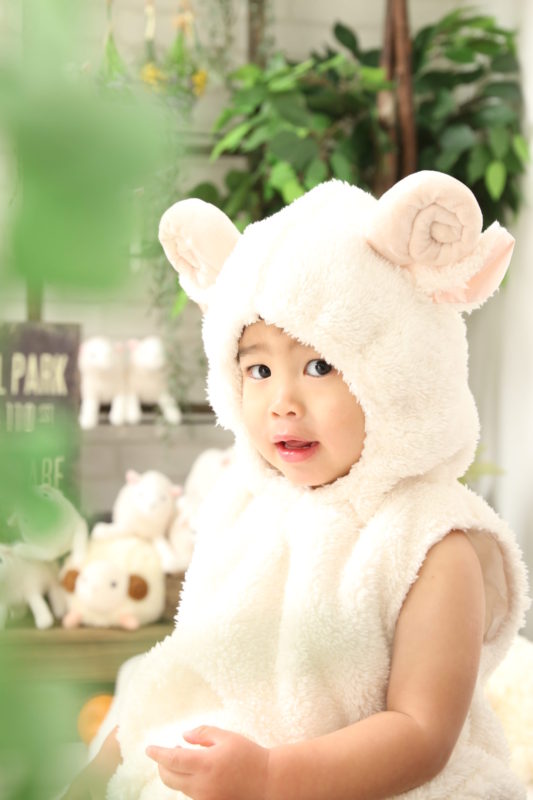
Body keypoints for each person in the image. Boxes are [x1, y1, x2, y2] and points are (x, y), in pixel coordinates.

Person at [63, 171, 529, 800]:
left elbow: (422, 734)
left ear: (400, 373)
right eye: (258, 369)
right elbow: (187, 668)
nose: (282, 401)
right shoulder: (244, 510)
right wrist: (103, 770)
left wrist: (270, 776)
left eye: (319, 365)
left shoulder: (431, 543)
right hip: (239, 765)